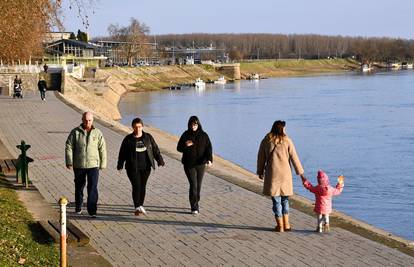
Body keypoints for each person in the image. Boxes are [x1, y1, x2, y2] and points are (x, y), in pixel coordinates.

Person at [257, 120, 305, 232]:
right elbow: (295, 158)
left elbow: (261, 157)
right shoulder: (287, 141)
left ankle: (280, 226)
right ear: (282, 129)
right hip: (285, 175)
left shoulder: (266, 141)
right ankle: (287, 224)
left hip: (272, 174)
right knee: (285, 200)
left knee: (276, 200)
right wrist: (301, 174)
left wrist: (260, 171)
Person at [117, 118, 165, 216]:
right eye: (135, 127)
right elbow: (122, 153)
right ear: (132, 127)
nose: (137, 129)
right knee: (136, 186)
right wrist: (120, 164)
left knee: (143, 186)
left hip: (146, 167)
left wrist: (160, 160)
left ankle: (141, 205)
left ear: (142, 127)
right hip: (132, 168)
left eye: (139, 127)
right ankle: (137, 207)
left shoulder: (148, 137)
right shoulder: (128, 139)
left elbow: (155, 149)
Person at [65, 112, 107, 217]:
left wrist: (103, 163)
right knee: (79, 187)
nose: (87, 122)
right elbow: (69, 146)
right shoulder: (75, 132)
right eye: (85, 120)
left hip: (93, 165)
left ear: (92, 120)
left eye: (89, 120)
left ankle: (92, 210)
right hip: (79, 165)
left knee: (92, 187)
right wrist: (69, 161)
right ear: (82, 120)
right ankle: (78, 206)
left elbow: (102, 149)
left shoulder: (97, 133)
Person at [177, 116, 212, 214]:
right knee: (193, 184)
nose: (193, 126)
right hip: (189, 164)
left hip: (201, 164)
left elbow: (208, 148)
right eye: (191, 124)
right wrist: (185, 145)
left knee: (198, 185)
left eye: (195, 124)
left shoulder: (204, 135)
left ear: (198, 125)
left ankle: (196, 201)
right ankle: (194, 207)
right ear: (189, 125)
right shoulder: (185, 134)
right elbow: (178, 148)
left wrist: (209, 159)